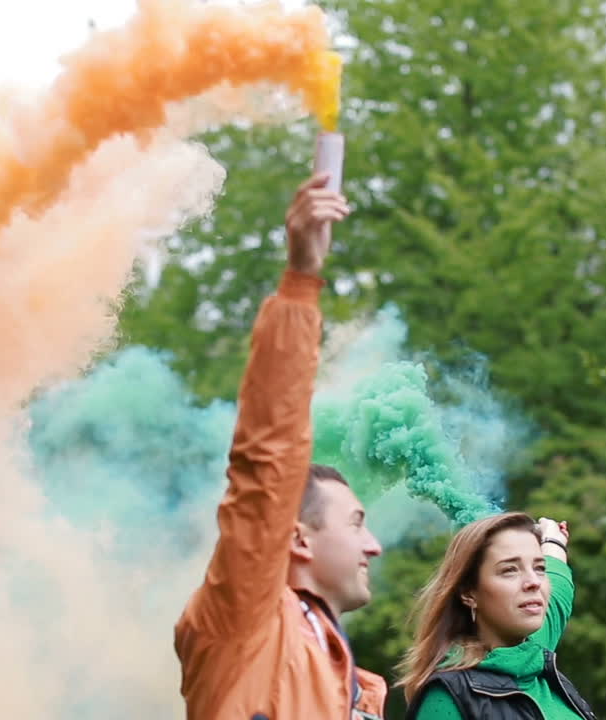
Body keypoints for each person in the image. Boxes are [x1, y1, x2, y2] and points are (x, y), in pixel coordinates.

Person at [174, 173, 387, 720]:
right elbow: (268, 459)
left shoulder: (359, 690)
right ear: (296, 539)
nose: (374, 544)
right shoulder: (245, 622)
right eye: (356, 522)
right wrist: (301, 282)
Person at [398, 512, 599, 720]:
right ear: (468, 592)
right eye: (510, 570)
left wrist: (554, 541)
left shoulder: (533, 654)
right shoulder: (447, 698)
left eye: (539, 568)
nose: (534, 582)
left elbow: (558, 585)